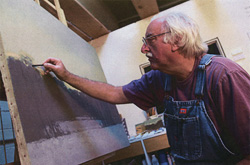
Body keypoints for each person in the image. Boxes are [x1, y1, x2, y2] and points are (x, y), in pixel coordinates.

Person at [43, 12, 250, 164]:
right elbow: (116, 93)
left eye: (150, 40)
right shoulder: (160, 79)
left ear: (176, 40)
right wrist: (66, 75)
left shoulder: (224, 76)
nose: (143, 48)